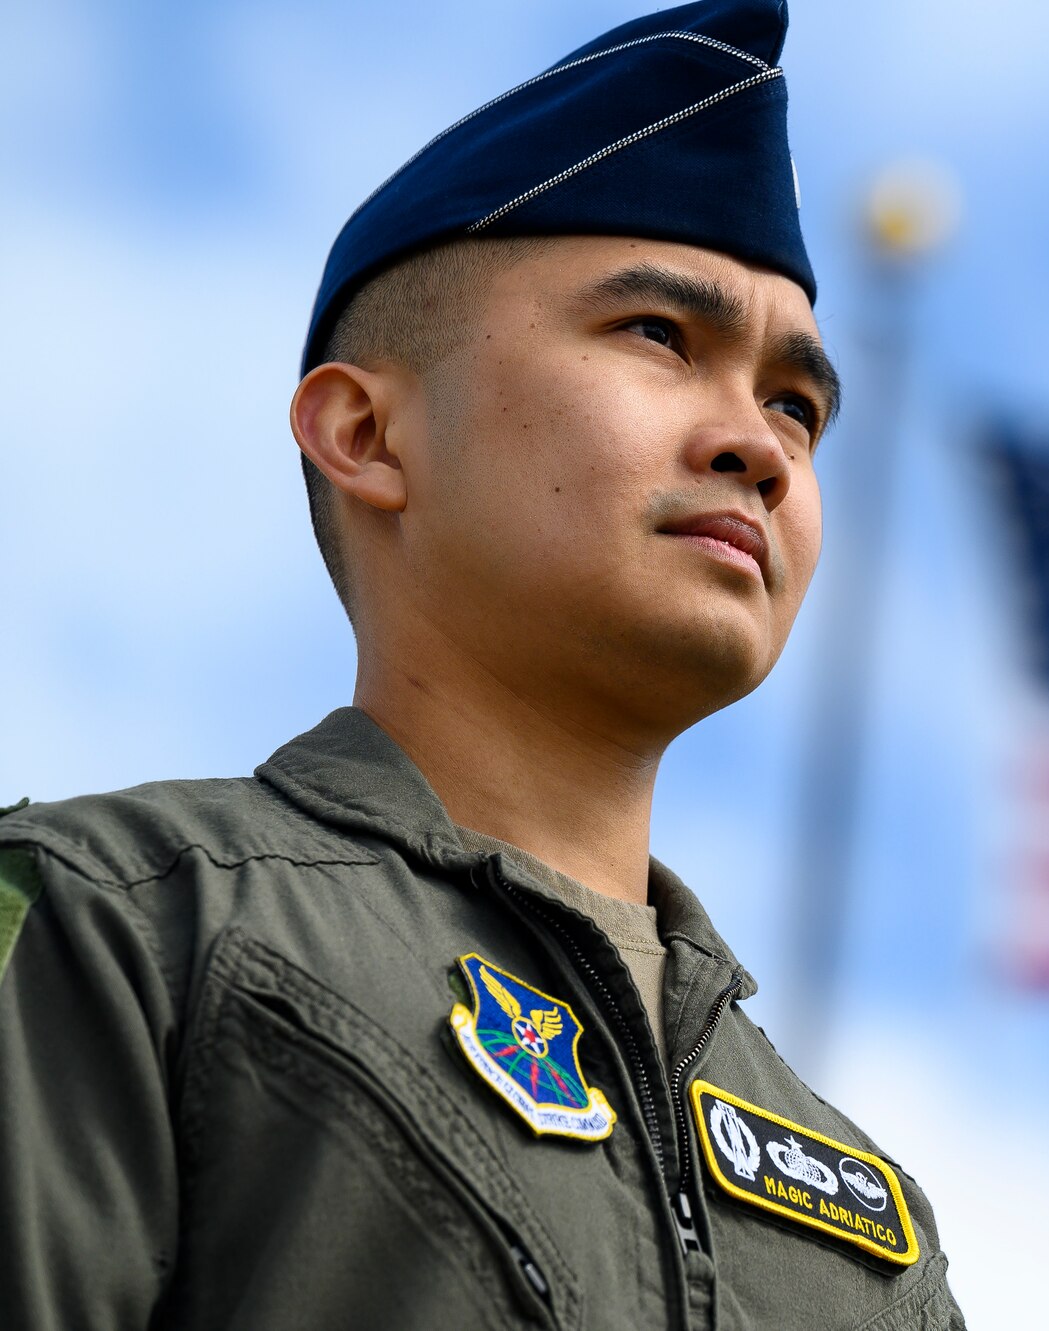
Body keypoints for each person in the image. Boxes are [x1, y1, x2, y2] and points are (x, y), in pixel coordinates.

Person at [0, 3, 965, 1327]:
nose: (763, 445)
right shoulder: (118, 926)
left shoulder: (879, 1230)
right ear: (368, 433)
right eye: (658, 337)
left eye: (797, 404)